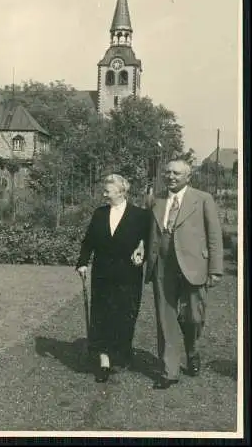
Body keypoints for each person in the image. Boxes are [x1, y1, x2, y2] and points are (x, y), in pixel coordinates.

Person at [134, 157, 223, 389]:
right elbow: (147, 230)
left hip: (194, 266)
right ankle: (169, 370)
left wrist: (216, 269)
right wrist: (142, 247)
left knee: (193, 316)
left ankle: (192, 349)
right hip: (163, 265)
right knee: (166, 318)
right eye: (168, 172)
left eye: (176, 173)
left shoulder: (203, 199)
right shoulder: (157, 200)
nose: (170, 177)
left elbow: (214, 236)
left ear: (188, 176)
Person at [76, 174, 150, 383]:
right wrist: (82, 262)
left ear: (121, 191)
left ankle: (121, 352)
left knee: (125, 314)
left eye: (108, 190)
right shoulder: (100, 213)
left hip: (128, 274)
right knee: (101, 314)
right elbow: (88, 241)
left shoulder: (140, 215)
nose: (104, 193)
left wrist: (142, 250)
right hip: (103, 274)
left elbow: (148, 241)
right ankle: (104, 359)